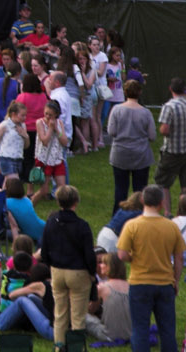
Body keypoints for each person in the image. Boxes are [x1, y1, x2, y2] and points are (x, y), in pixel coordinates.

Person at [116, 185, 183, 352]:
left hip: (140, 283)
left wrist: (134, 258)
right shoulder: (171, 226)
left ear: (141, 200)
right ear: (162, 202)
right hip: (165, 283)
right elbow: (179, 258)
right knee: (167, 330)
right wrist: (175, 280)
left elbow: (122, 255)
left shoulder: (132, 225)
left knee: (140, 329)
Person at [42, 184, 98, 348]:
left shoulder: (51, 222)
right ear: (76, 202)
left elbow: (44, 250)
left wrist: (51, 266)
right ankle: (76, 348)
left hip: (57, 271)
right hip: (78, 272)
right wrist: (92, 273)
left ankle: (59, 347)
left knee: (60, 314)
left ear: (58, 201)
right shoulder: (82, 226)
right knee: (78, 317)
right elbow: (89, 254)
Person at [108, 81, 156, 206]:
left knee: (120, 189)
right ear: (140, 92)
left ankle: (119, 214)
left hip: (120, 153)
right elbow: (152, 136)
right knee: (140, 190)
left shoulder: (117, 110)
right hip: (141, 154)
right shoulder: (146, 113)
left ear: (125, 92)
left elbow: (111, 131)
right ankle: (139, 213)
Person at [156, 79, 186, 193]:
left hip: (172, 150)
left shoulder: (169, 106)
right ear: (185, 89)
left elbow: (164, 130)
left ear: (170, 89)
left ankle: (166, 206)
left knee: (163, 183)